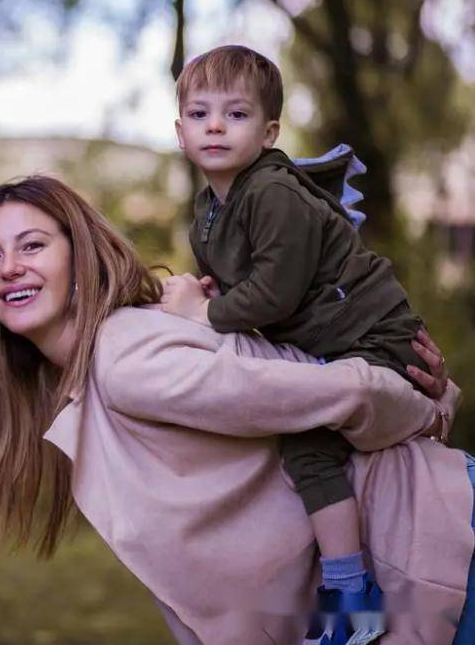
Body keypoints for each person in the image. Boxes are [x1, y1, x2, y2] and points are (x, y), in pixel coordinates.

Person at [0, 175, 469, 645]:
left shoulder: (126, 359)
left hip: (434, 542)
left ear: (80, 257)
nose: (9, 267)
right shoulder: (96, 378)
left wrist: (433, 412)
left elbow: (339, 391)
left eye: (32, 245)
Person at [162, 44, 435, 639]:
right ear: (179, 131)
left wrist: (204, 311)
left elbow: (274, 296)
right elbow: (247, 282)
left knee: (307, 445)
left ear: (268, 132)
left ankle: (350, 595)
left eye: (236, 114)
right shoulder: (208, 212)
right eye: (200, 113)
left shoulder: (273, 193)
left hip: (372, 334)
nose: (215, 125)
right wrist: (209, 293)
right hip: (327, 344)